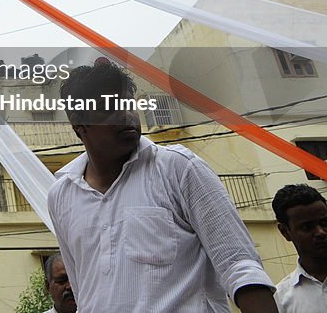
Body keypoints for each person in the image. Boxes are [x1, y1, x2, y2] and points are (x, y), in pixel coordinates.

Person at [47, 59, 278, 313]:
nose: (126, 115)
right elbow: (83, 292)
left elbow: (240, 266)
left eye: (129, 104)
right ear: (79, 123)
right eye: (109, 107)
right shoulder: (62, 195)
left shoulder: (179, 168)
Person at [272, 184, 327, 312]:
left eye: (324, 223)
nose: (320, 232)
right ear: (285, 232)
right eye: (307, 227)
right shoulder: (280, 300)